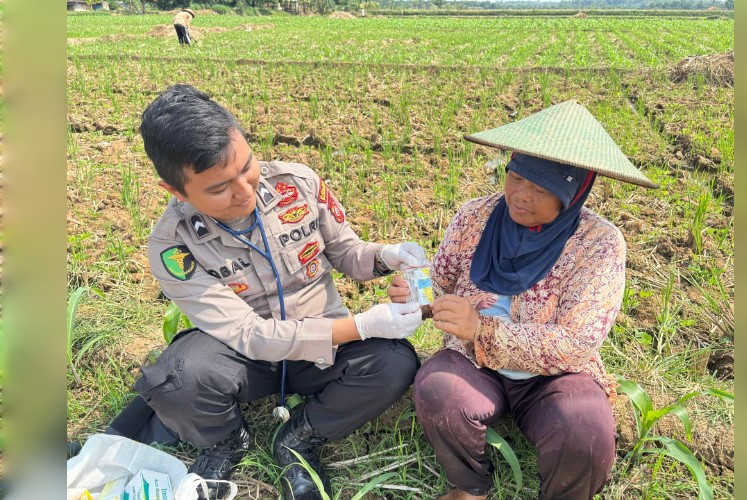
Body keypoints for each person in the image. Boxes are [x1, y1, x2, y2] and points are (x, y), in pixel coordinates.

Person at [133, 84, 426, 500]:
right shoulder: (174, 244)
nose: (245, 192)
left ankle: (300, 437)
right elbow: (249, 334)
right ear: (176, 191)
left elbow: (345, 251)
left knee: (394, 363)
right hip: (243, 358)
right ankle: (226, 442)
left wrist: (386, 255)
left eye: (247, 167)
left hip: (323, 343)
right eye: (219, 188)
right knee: (177, 380)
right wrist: (361, 326)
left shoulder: (298, 184)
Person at [388, 101, 657, 500]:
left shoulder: (599, 244)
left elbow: (578, 342)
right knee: (438, 390)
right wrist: (416, 295)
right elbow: (441, 284)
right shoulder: (475, 217)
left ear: (573, 194)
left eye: (541, 189)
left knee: (585, 430)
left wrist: (482, 328)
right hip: (473, 359)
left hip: (554, 376)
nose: (520, 196)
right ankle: (470, 486)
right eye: (515, 178)